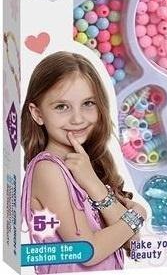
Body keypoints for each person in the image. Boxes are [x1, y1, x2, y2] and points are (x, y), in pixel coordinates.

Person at [21, 51, 146, 273]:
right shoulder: (47, 170)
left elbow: (132, 242)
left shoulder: (85, 167)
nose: (78, 119)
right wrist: (138, 214)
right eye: (62, 106)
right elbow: (86, 251)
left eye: (88, 103)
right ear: (37, 114)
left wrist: (93, 183)